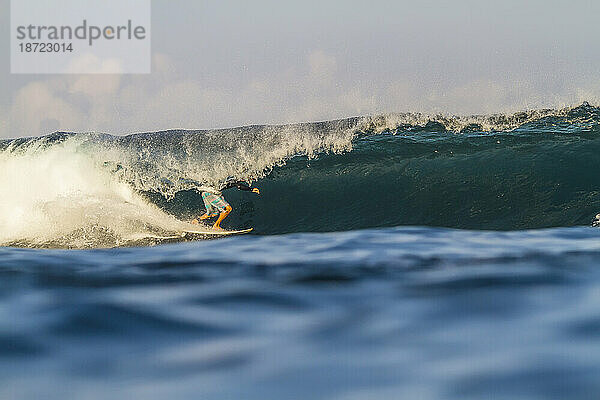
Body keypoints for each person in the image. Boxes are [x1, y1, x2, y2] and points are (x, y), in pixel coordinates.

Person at [191, 180, 260, 229]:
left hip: (205, 193)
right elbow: (239, 186)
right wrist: (251, 189)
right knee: (228, 209)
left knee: (212, 213)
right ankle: (216, 226)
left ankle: (196, 220)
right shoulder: (234, 178)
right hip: (211, 193)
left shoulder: (228, 176)